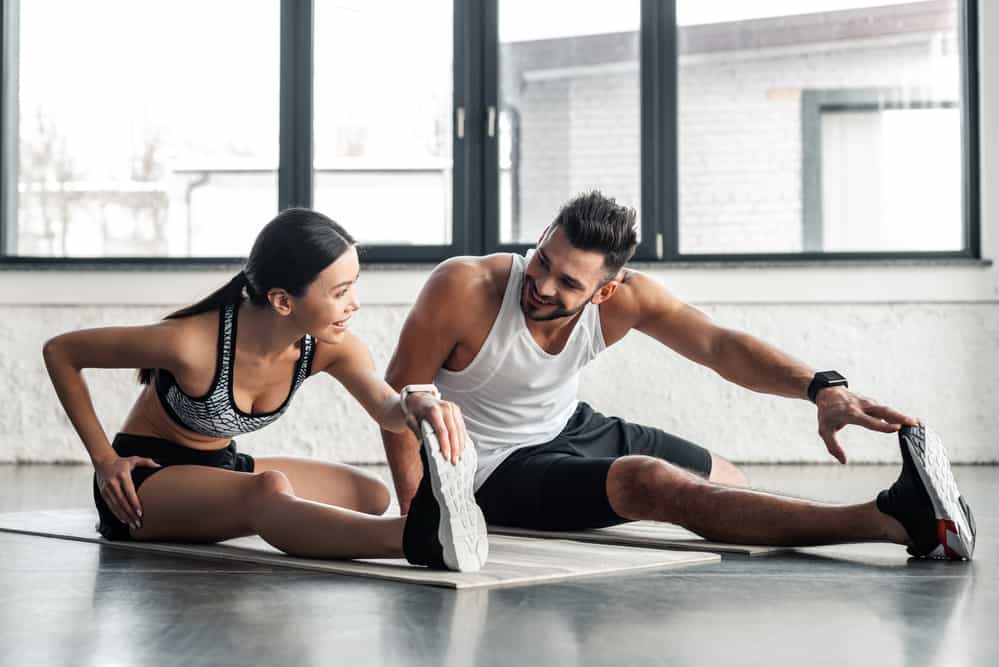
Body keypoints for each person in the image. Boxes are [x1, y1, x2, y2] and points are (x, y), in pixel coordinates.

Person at [380, 191, 975, 560]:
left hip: (568, 428)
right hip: (489, 467)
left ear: (606, 291)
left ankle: (917, 516)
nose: (541, 286)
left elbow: (719, 345)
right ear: (538, 242)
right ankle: (896, 521)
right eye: (542, 262)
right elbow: (400, 400)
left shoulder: (628, 301)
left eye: (568, 283)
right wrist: (418, 517)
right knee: (651, 482)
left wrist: (821, 387)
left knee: (727, 482)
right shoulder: (463, 287)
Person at [43, 208, 488, 572]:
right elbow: (61, 352)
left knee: (370, 495)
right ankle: (413, 539)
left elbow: (387, 408)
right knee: (268, 490)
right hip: (144, 486)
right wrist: (105, 461)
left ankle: (276, 515)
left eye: (355, 287)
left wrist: (418, 402)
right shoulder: (191, 343)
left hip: (220, 467)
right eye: (340, 292)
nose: (355, 304)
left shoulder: (329, 347)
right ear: (282, 301)